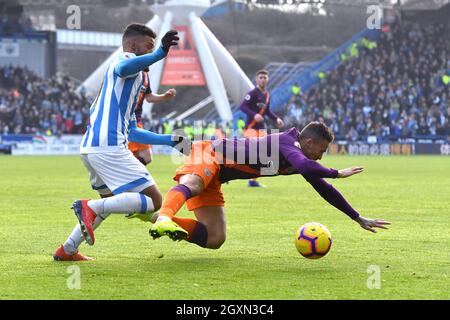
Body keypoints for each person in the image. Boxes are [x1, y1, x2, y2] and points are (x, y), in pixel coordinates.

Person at [53, 23, 188, 261]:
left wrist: (169, 140)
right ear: (132, 44)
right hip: (109, 147)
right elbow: (125, 66)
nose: (150, 52)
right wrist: (159, 55)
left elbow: (133, 131)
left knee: (111, 203)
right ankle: (89, 207)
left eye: (153, 48)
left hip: (91, 148)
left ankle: (68, 249)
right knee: (154, 200)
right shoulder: (124, 60)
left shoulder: (127, 82)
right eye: (148, 47)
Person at [141, 122, 390, 249]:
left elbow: (323, 188)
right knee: (193, 184)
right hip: (208, 154)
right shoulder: (288, 143)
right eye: (321, 150)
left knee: (215, 238)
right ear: (310, 142)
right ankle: (165, 216)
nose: (321, 157)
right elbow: (308, 168)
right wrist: (337, 173)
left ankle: (154, 217)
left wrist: (356, 217)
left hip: (218, 176)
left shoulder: (299, 157)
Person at [239, 69, 284, 187]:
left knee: (264, 153)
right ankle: (239, 172)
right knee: (253, 153)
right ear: (256, 79)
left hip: (261, 128)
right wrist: (254, 115)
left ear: (268, 80)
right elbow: (243, 106)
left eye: (265, 78)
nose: (263, 80)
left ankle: (252, 180)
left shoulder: (267, 95)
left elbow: (267, 111)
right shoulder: (253, 93)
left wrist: (276, 119)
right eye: (261, 78)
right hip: (251, 127)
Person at [128, 68, 177, 165]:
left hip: (136, 121)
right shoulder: (130, 70)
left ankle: (124, 176)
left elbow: (149, 97)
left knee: (143, 156)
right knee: (143, 156)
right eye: (149, 52)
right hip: (126, 121)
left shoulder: (145, 75)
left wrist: (164, 96)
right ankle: (124, 176)